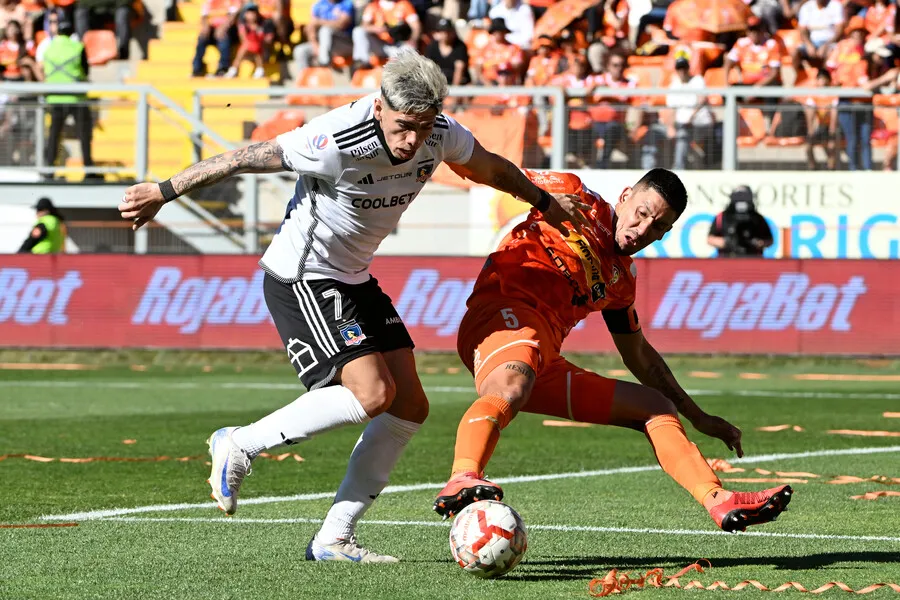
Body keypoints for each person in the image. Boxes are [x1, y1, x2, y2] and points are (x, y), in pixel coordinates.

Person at [118, 48, 587, 563]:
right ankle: (240, 443)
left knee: (410, 406)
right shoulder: (334, 139)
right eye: (404, 126)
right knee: (373, 393)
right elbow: (243, 157)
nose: (413, 141)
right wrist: (164, 190)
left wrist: (542, 201)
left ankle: (334, 538)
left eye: (424, 126)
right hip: (304, 274)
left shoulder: (439, 132)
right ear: (381, 106)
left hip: (354, 278)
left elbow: (488, 167)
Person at [432, 169, 792, 535]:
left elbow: (640, 356)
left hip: (539, 356)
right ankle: (463, 476)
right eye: (642, 212)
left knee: (653, 407)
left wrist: (696, 416)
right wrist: (541, 199)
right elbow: (499, 171)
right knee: (513, 381)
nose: (643, 230)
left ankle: (717, 499)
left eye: (657, 227)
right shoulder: (575, 194)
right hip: (499, 315)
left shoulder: (622, 282)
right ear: (624, 197)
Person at [42, 19, 95, 180]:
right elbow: (85, 71)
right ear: (72, 32)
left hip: (55, 96)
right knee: (84, 134)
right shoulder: (77, 47)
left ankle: (49, 169)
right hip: (76, 96)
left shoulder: (48, 48)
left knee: (54, 134)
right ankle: (89, 170)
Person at [707, 185, 774, 257]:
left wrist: (757, 243)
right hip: (728, 258)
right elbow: (710, 239)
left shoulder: (757, 218)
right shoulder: (722, 217)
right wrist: (726, 242)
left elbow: (769, 240)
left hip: (752, 259)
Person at [293, 0, 354, 70]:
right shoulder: (318, 5)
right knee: (300, 51)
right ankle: (305, 79)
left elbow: (343, 24)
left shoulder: (346, 3)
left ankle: (323, 62)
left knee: (325, 30)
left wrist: (319, 22)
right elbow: (310, 27)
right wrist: (315, 45)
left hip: (343, 43)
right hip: (322, 45)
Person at [424, 18, 471, 88]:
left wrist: (455, 91)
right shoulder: (432, 47)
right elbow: (428, 67)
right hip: (438, 83)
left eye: (447, 31)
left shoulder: (460, 46)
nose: (445, 34)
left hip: (459, 83)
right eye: (441, 31)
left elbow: (459, 68)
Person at [226, 6, 266, 78]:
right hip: (247, 46)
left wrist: (256, 30)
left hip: (257, 47)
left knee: (256, 47)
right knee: (246, 46)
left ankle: (259, 69)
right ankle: (234, 69)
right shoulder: (243, 25)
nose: (252, 16)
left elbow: (261, 39)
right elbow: (243, 39)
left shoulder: (260, 25)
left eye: (253, 14)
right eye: (249, 13)